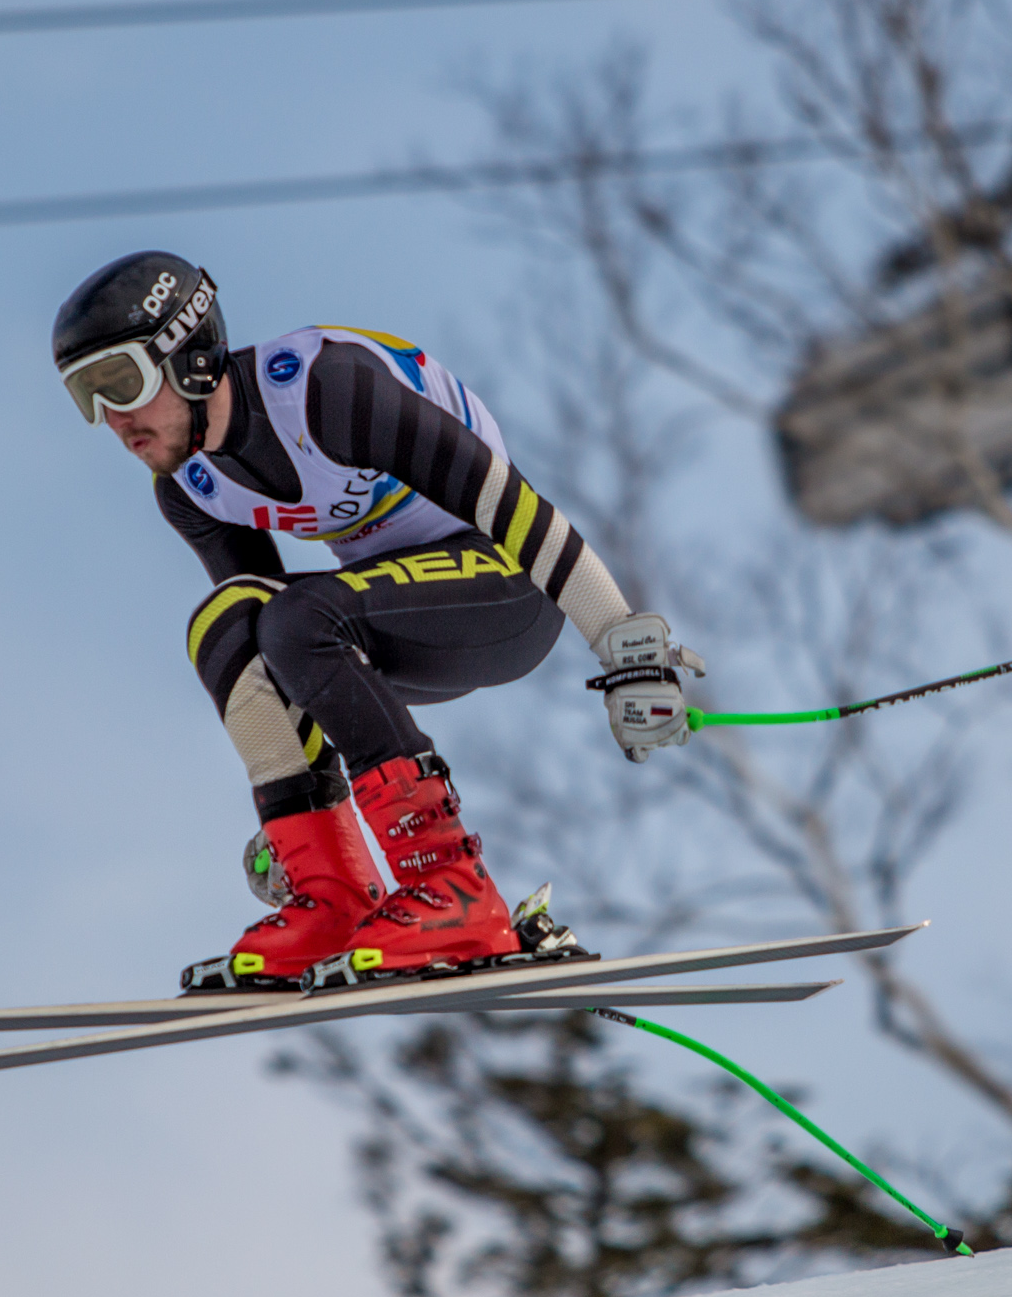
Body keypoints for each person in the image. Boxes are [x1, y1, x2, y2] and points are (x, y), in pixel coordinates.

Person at [51, 250, 705, 993]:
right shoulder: (191, 488)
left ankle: (452, 885)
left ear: (193, 360)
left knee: (300, 619)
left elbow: (512, 507)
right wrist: (292, 824)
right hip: (386, 620)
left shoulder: (327, 391)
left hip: (509, 585)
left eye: (122, 383)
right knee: (226, 627)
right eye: (87, 397)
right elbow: (270, 667)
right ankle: (331, 898)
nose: (114, 420)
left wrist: (627, 651)